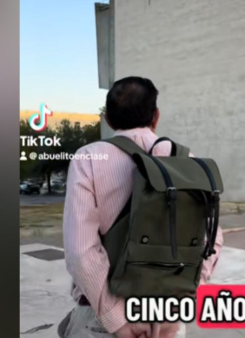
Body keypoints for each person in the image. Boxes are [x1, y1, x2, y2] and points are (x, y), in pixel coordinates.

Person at [59, 77, 224, 338]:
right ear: (155, 116)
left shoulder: (89, 158)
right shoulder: (189, 163)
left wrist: (118, 321)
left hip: (104, 319)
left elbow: (81, 252)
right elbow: (212, 241)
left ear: (108, 120)